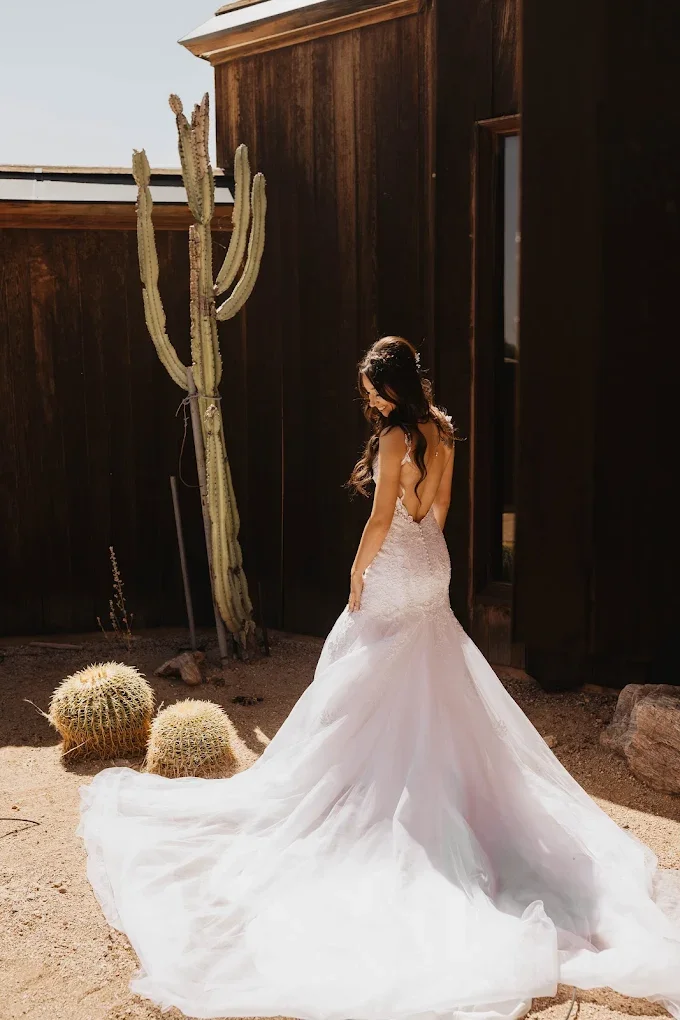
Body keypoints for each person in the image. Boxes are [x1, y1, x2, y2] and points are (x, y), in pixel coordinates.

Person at [79, 336, 680, 1020]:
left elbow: (380, 516)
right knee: (427, 668)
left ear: (390, 387)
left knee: (362, 664)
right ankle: (417, 780)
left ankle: (359, 790)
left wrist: (359, 570)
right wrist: (427, 555)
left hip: (395, 559)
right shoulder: (444, 431)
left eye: (371, 386)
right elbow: (438, 509)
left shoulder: (396, 439)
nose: (366, 396)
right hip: (434, 560)